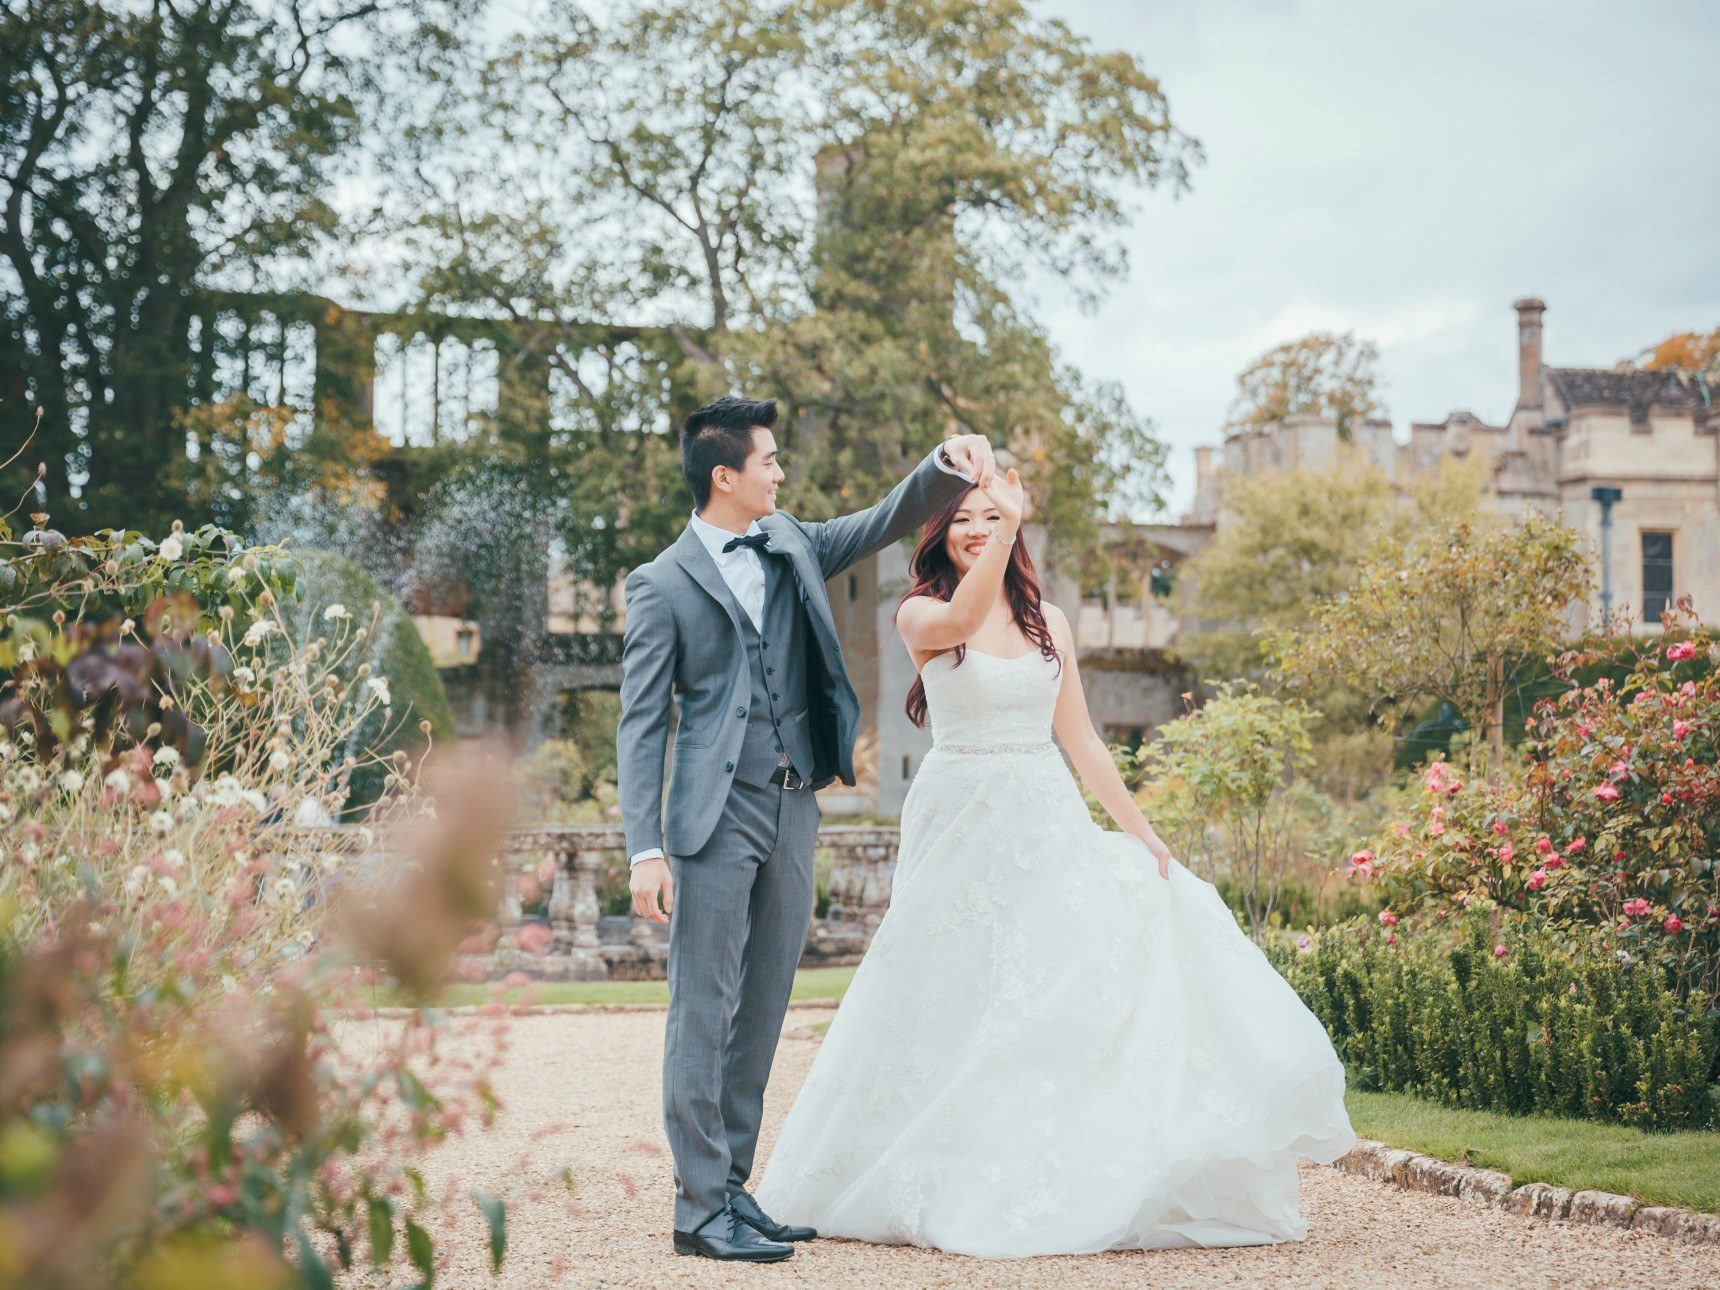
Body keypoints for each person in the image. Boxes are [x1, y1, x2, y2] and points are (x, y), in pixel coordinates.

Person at [753, 471, 1358, 1256]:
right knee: (948, 985)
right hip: (961, 814)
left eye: (990, 517)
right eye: (964, 519)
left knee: (1051, 987)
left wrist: (1143, 832)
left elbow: (1082, 739)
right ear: (940, 535)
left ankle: (1048, 1161)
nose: (976, 528)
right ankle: (914, 1164)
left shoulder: (1049, 622)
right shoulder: (923, 611)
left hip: (1041, 813)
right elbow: (971, 608)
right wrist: (1010, 526)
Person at [617, 394, 996, 1261]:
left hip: (792, 804)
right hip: (712, 819)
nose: (781, 473)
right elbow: (642, 725)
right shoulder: (661, 584)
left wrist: (943, 462)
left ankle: (732, 1190)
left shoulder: (792, 540)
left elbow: (881, 519)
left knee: (765, 1002)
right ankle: (696, 1211)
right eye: (770, 461)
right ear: (726, 476)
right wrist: (645, 848)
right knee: (702, 1009)